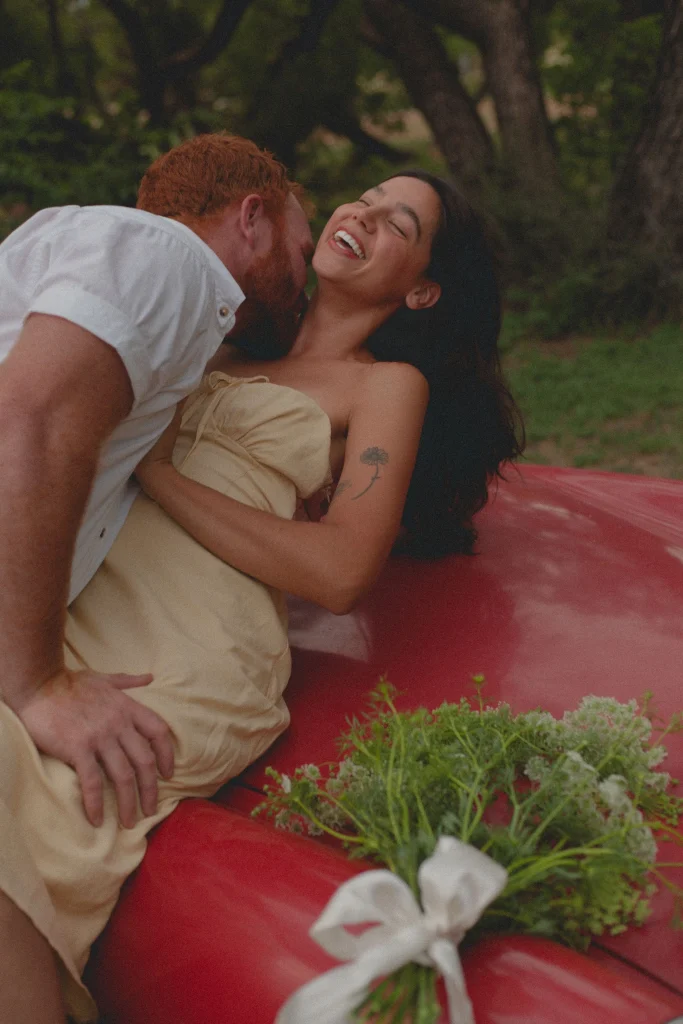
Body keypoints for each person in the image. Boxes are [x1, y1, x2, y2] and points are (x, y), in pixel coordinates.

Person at [0, 170, 524, 1024]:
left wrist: (161, 474)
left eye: (397, 224)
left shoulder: (385, 385)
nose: (361, 215)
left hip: (189, 650)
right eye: (362, 198)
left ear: (422, 289)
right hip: (77, 627)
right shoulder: (220, 341)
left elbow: (340, 570)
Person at [0, 132, 314, 830]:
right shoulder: (170, 258)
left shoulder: (155, 277)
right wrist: (38, 685)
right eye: (302, 251)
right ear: (252, 219)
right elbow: (32, 421)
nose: (305, 282)